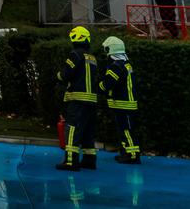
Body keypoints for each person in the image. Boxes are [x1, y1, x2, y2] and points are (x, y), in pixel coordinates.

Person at [56, 26, 98, 171]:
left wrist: (58, 76)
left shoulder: (75, 54)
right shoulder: (92, 57)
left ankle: (70, 161)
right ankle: (89, 160)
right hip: (92, 100)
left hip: (78, 99)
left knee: (72, 129)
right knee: (87, 131)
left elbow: (66, 74)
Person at [98, 35, 141, 164]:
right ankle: (126, 152)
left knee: (126, 130)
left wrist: (98, 87)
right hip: (126, 103)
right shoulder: (126, 64)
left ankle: (132, 155)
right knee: (125, 129)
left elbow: (108, 83)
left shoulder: (116, 66)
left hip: (123, 104)